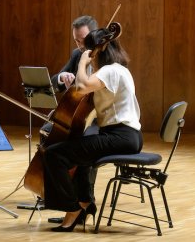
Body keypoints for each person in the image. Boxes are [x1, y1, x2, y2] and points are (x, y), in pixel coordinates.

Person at [42, 26, 143, 232]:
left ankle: (73, 209)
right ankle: (85, 203)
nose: (87, 54)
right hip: (126, 135)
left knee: (54, 155)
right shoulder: (119, 70)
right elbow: (85, 99)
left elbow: (82, 86)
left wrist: (82, 63)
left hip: (120, 136)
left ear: (99, 49)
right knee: (79, 156)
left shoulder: (110, 70)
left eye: (89, 50)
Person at [42, 15, 99, 223]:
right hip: (77, 115)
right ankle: (59, 199)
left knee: (84, 144)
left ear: (94, 35)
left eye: (83, 39)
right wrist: (62, 79)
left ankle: (83, 203)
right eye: (76, 40)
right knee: (47, 131)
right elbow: (55, 80)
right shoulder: (78, 54)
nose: (80, 45)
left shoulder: (106, 57)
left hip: (99, 119)